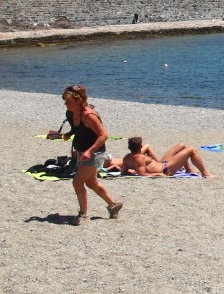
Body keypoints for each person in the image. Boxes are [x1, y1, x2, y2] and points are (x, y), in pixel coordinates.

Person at [61, 85, 122, 225]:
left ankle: (83, 214)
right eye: (65, 101)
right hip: (82, 151)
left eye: (68, 101)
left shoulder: (88, 115)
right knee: (91, 182)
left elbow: (104, 135)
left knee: (77, 182)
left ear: (78, 101)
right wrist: (70, 134)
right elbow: (77, 128)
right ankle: (113, 205)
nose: (65, 104)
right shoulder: (70, 113)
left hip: (95, 152)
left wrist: (90, 151)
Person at [122, 137, 215, 177]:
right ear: (140, 147)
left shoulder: (126, 158)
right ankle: (205, 174)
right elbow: (142, 174)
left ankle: (189, 170)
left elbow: (123, 171)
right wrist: (156, 174)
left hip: (162, 165)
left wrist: (132, 170)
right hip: (166, 171)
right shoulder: (140, 158)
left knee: (181, 145)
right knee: (191, 149)